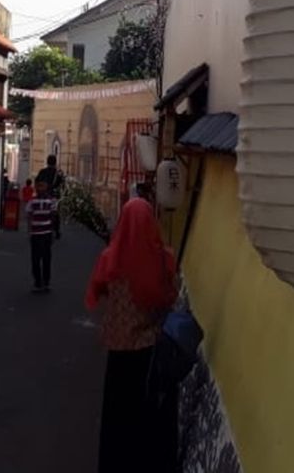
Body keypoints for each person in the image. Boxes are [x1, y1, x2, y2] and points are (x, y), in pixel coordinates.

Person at [86, 197, 179, 473]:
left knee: (117, 417)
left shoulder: (109, 260)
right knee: (151, 418)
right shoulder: (164, 259)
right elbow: (169, 298)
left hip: (119, 351)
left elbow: (99, 289)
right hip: (149, 352)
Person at [26, 179, 60, 292]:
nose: (40, 189)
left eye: (42, 187)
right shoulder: (50, 201)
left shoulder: (34, 202)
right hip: (42, 233)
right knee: (42, 258)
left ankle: (41, 282)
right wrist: (54, 231)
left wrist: (29, 231)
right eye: (39, 187)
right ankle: (42, 282)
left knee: (40, 258)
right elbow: (53, 216)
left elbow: (29, 217)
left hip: (41, 233)